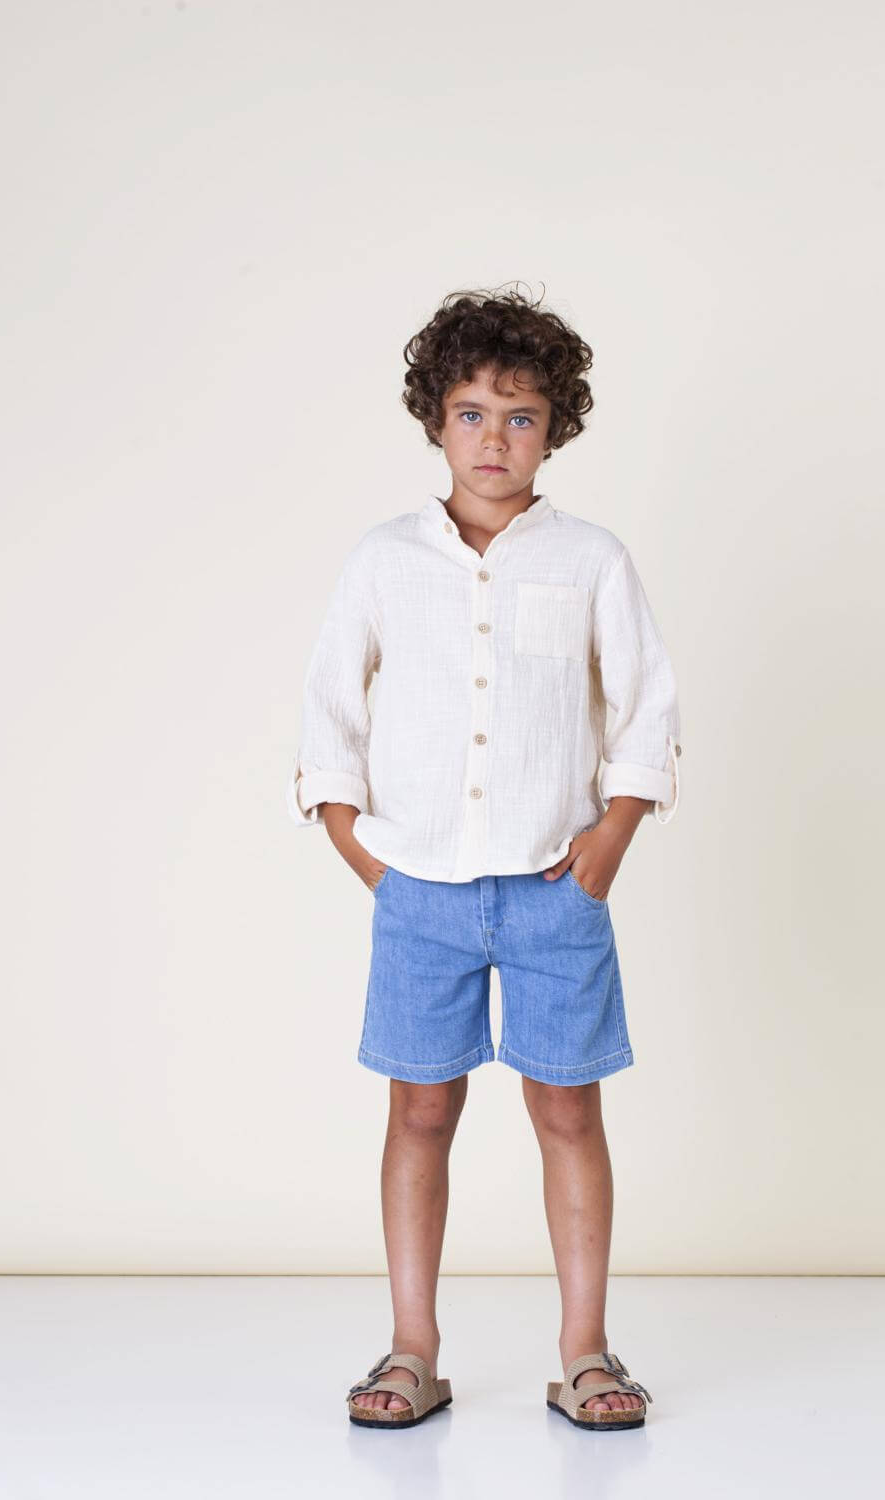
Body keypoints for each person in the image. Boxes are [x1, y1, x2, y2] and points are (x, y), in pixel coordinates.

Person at [286, 285, 681, 1432]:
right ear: (434, 420)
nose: (494, 438)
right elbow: (328, 712)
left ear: (554, 427)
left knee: (568, 1114)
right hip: (419, 891)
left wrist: (610, 838)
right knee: (419, 1112)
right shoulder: (382, 561)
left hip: (556, 887)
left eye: (519, 416)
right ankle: (412, 1349)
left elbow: (646, 708)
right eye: (470, 413)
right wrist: (362, 852)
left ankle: (585, 1354)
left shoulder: (590, 560)